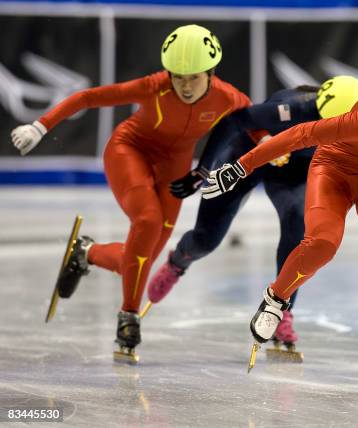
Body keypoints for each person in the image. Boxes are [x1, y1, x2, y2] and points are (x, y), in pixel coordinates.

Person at [200, 55, 358, 396]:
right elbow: (300, 134)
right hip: (334, 169)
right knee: (323, 242)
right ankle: (276, 299)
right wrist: (239, 167)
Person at [10, 24, 252, 364]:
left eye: (193, 77)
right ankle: (128, 317)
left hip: (176, 167)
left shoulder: (229, 98)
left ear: (211, 73)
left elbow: (255, 124)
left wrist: (273, 148)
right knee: (148, 221)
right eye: (177, 76)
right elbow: (89, 97)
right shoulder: (154, 86)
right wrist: (41, 125)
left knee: (141, 261)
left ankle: (87, 252)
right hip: (130, 152)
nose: (183, 85)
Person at [145, 76, 358, 360]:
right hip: (247, 155)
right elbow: (234, 121)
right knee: (206, 239)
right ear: (320, 113)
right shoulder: (291, 109)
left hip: (293, 170)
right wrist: (204, 170)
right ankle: (179, 261)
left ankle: (282, 310)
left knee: (299, 225)